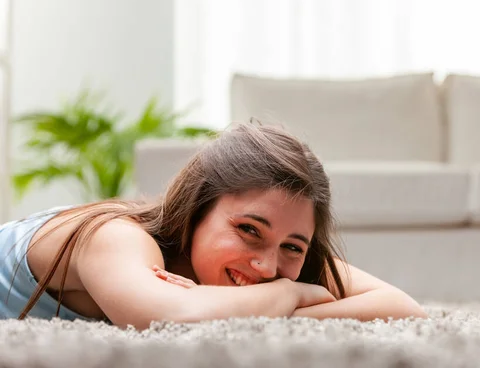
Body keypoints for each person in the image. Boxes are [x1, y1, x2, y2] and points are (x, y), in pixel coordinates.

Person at [0, 123, 427, 328]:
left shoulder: (276, 252)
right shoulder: (115, 238)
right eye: (248, 230)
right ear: (197, 209)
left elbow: (404, 308)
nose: (265, 266)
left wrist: (283, 310)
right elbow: (171, 318)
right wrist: (290, 292)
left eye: (293, 247)